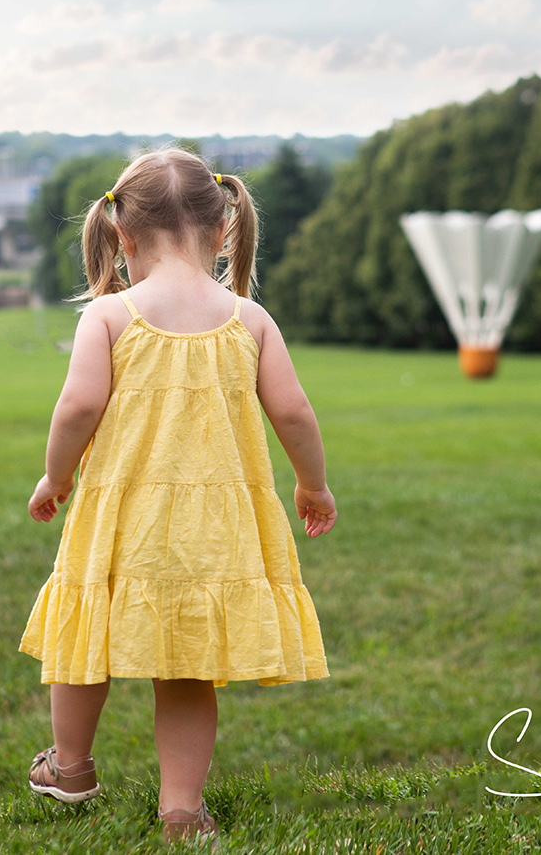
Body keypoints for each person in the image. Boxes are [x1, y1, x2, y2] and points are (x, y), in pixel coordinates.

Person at [19, 148, 336, 842]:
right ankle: (182, 810)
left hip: (119, 517)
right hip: (211, 530)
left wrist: (58, 475)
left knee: (84, 638)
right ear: (223, 230)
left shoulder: (108, 315)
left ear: (122, 237)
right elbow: (295, 413)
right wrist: (311, 482)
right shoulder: (249, 318)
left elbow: (76, 409)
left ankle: (69, 766)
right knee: (188, 666)